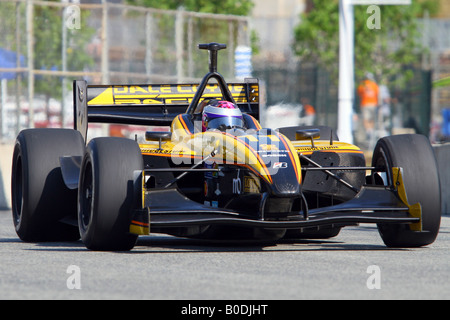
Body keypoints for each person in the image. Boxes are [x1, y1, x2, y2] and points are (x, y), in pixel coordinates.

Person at [357, 73, 379, 145]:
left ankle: (368, 132)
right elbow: (377, 94)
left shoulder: (362, 84)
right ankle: (371, 131)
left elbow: (359, 93)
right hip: (373, 104)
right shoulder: (374, 85)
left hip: (365, 103)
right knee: (371, 119)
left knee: (366, 119)